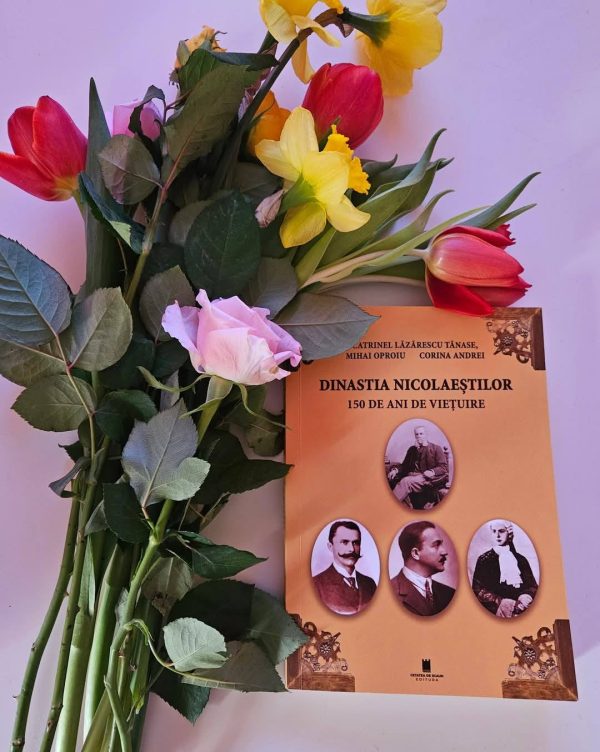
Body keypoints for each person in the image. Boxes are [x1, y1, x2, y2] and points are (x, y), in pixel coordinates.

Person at [471, 520, 538, 618]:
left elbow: (532, 586)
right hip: (496, 612)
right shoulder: (484, 560)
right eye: (494, 531)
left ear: (509, 533)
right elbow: (477, 589)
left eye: (501, 531)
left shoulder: (521, 559)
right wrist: (501, 602)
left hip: (521, 610)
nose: (497, 535)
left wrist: (525, 597)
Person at [391, 521, 456, 616]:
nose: (444, 552)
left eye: (441, 544)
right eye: (436, 545)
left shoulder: (449, 593)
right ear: (415, 553)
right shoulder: (390, 593)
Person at [313, 520, 377, 615]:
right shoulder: (317, 584)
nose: (352, 549)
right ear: (330, 546)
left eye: (356, 543)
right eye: (345, 542)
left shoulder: (370, 584)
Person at [388, 425, 449, 509]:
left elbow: (444, 467)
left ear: (426, 434)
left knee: (406, 481)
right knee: (394, 480)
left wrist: (432, 471)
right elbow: (404, 466)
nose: (419, 436)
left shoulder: (436, 448)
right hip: (411, 475)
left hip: (425, 477)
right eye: (417, 434)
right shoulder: (412, 449)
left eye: (421, 433)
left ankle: (389, 506)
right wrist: (395, 470)